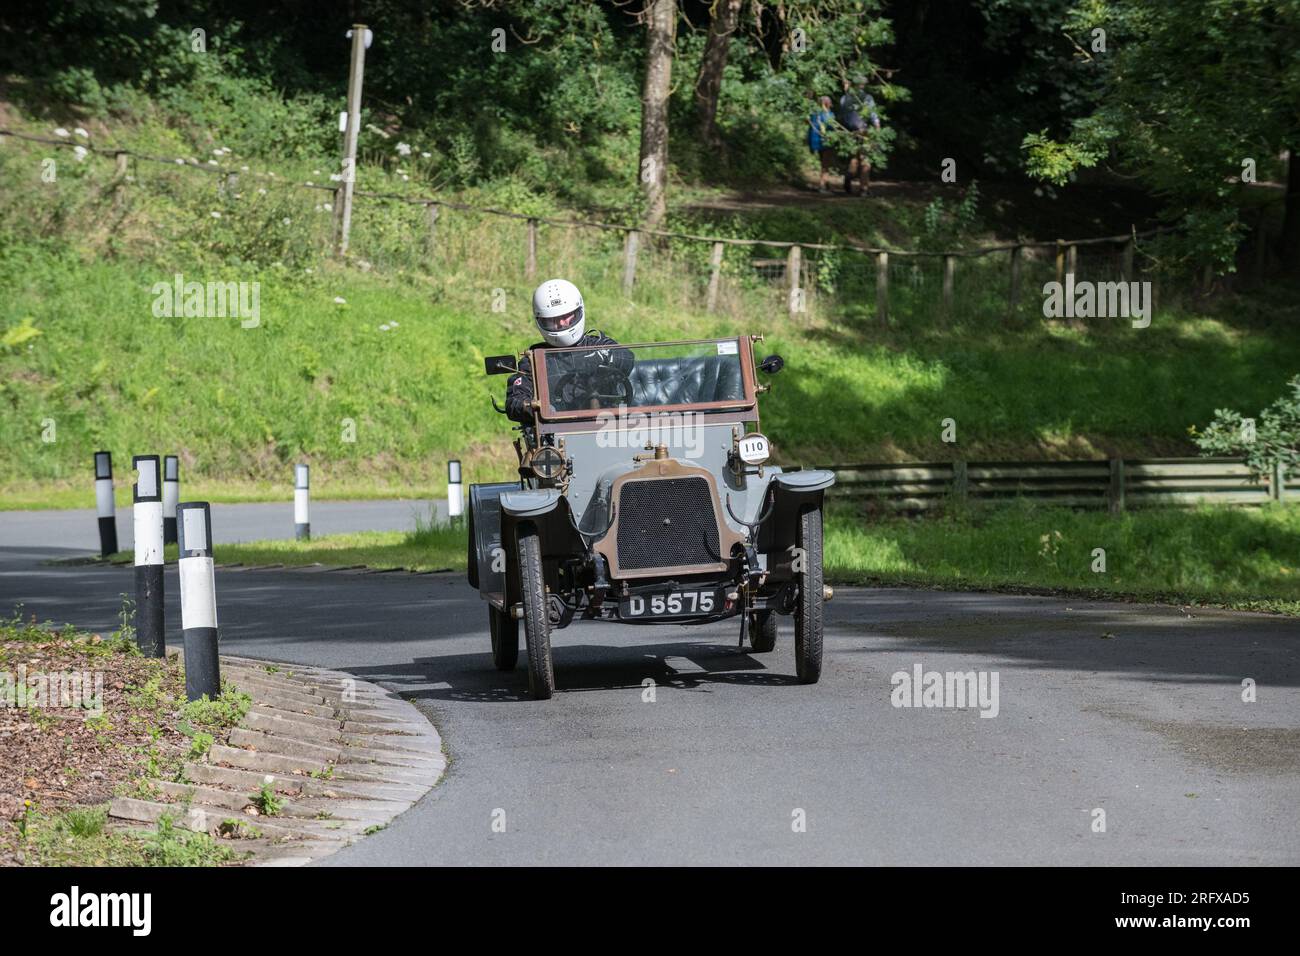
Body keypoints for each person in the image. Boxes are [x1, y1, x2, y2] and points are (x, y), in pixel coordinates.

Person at [505, 278, 632, 423]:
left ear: (578, 311)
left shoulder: (598, 344)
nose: (561, 323)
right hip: (556, 432)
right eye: (554, 320)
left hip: (606, 426)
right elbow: (514, 402)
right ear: (541, 320)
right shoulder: (533, 361)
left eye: (566, 317)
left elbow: (627, 358)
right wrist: (536, 407)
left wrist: (601, 358)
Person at [836, 75, 882, 195]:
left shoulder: (844, 98)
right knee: (865, 159)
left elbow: (840, 117)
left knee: (854, 158)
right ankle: (864, 189)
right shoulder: (867, 98)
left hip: (848, 131)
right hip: (864, 131)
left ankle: (848, 177)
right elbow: (873, 116)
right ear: (862, 84)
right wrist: (877, 130)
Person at [807, 95, 836, 193]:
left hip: (816, 142)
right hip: (825, 142)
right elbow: (832, 128)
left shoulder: (815, 114)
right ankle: (822, 186)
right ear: (827, 104)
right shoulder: (828, 115)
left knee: (823, 163)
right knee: (825, 164)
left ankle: (826, 184)